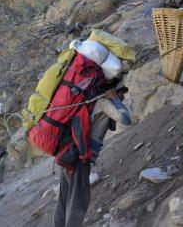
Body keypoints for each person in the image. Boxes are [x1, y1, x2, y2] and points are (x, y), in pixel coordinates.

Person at [53, 76, 132, 227]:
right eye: (121, 93)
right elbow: (126, 119)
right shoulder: (102, 102)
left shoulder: (91, 102)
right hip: (79, 157)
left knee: (65, 199)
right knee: (78, 201)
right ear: (113, 91)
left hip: (68, 153)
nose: (123, 96)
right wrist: (115, 99)